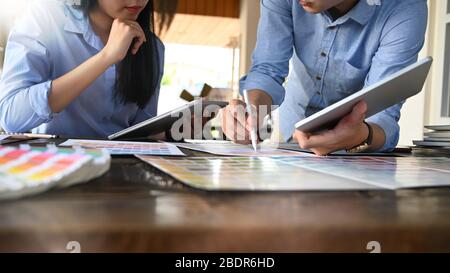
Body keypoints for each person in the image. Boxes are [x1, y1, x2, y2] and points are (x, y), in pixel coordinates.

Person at [220, 0, 427, 155]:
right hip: (291, 130)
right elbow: (267, 69)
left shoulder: (404, 8)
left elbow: (384, 114)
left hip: (356, 146)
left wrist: (362, 135)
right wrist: (253, 111)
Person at [0, 0, 176, 137]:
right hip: (57, 163)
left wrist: (174, 129)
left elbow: (140, 133)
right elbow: (10, 117)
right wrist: (106, 57)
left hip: (122, 169)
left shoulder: (152, 47)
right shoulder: (44, 19)